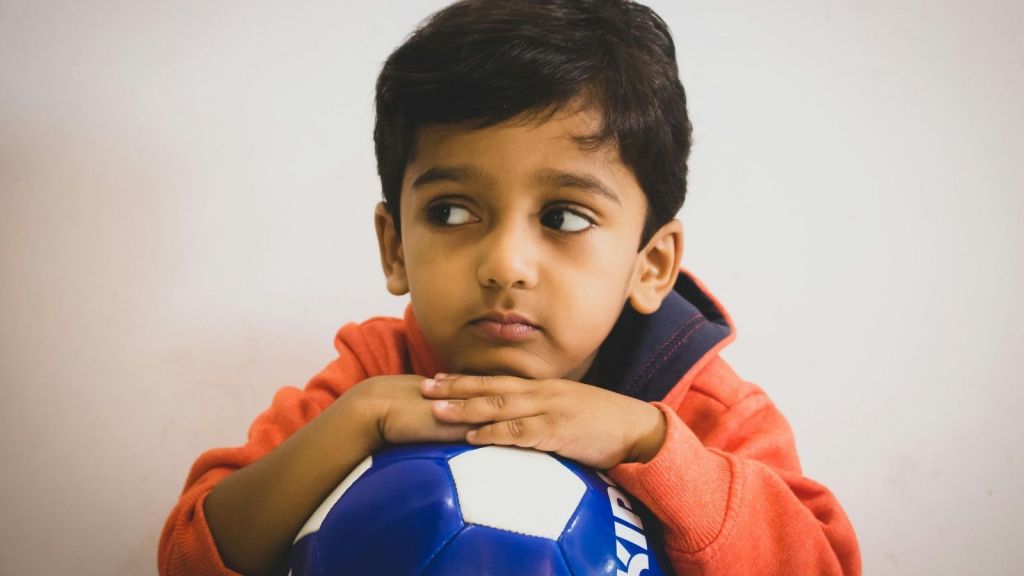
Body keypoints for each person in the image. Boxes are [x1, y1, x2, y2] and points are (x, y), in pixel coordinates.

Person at [158, 1, 861, 574]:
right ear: (394, 246)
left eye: (563, 217)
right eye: (452, 212)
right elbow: (187, 556)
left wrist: (650, 444)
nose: (505, 265)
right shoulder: (372, 377)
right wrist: (359, 422)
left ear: (651, 265)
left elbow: (826, 565)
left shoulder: (704, 407)